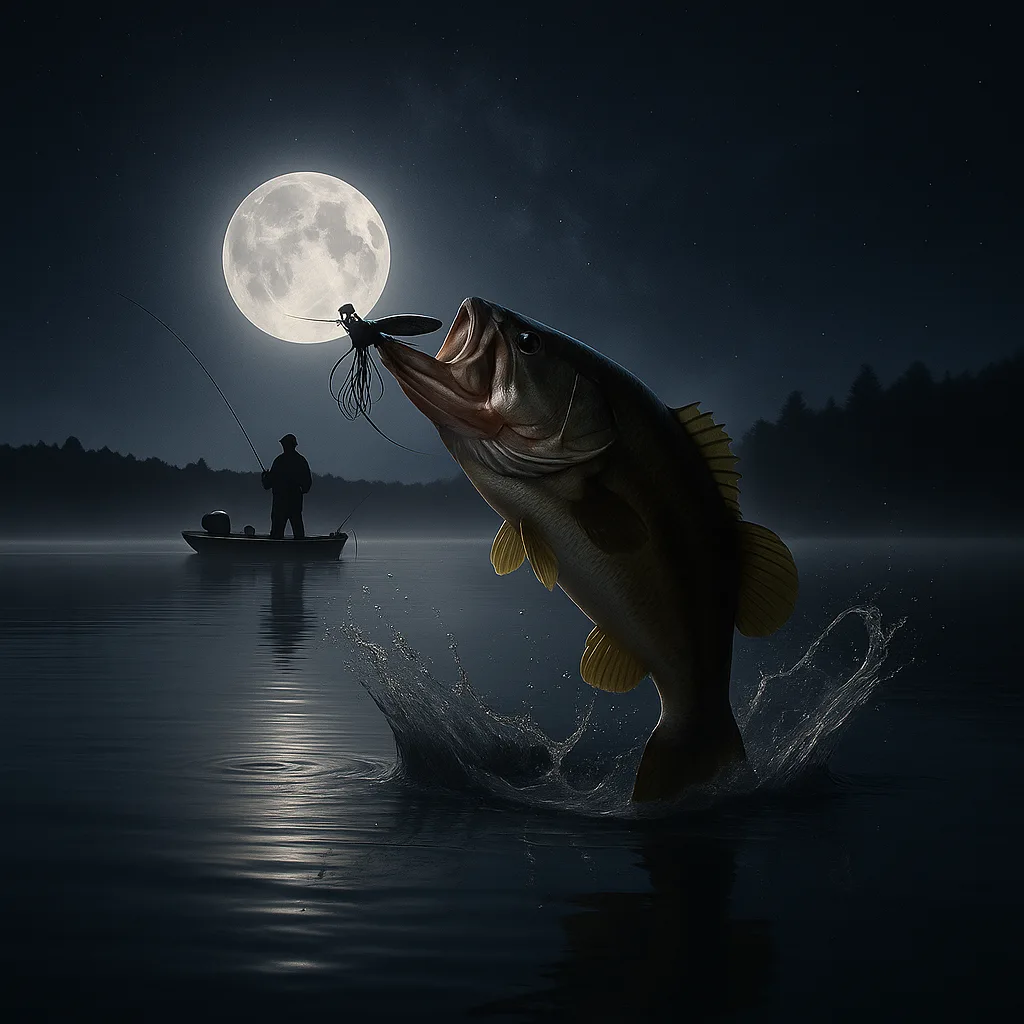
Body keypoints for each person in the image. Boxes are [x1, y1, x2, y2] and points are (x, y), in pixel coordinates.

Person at [262, 434, 312, 539]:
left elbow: (267, 485)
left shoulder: (279, 461)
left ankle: (276, 552)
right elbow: (307, 485)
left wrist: (265, 477)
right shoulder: (301, 461)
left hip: (280, 504)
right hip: (295, 503)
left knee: (276, 535)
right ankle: (301, 551)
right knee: (298, 534)